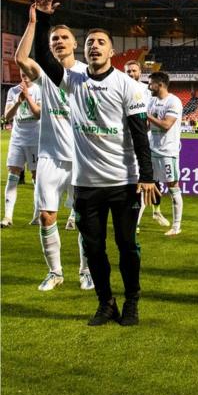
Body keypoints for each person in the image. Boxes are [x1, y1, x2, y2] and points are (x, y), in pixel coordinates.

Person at [60, 27, 158, 325]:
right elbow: (45, 59)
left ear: (112, 51)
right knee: (93, 248)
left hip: (123, 181)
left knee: (126, 245)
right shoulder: (72, 80)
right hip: (86, 183)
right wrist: (42, 20)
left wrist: (147, 176)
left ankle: (132, 301)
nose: (95, 47)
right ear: (83, 51)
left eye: (102, 42)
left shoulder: (128, 85)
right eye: (90, 43)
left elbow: (140, 135)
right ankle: (106, 303)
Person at [13, 0, 93, 292]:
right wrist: (35, 22)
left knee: (85, 220)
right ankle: (56, 272)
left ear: (75, 44)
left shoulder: (88, 75)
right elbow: (21, 58)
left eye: (63, 37)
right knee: (47, 216)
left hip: (82, 158)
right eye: (53, 39)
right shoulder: (45, 74)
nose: (58, 41)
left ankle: (85, 270)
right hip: (49, 156)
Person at [124, 60, 164, 227]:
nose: (131, 74)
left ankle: (156, 210)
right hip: (125, 140)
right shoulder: (121, 87)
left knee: (152, 176)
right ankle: (133, 217)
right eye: (128, 71)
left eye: (134, 70)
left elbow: (151, 113)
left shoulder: (146, 91)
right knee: (131, 179)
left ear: (140, 71)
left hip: (144, 139)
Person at [146, 71, 184, 236]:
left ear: (159, 84)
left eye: (151, 83)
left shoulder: (174, 101)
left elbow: (166, 125)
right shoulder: (152, 101)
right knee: (146, 186)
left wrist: (146, 116)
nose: (149, 86)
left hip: (168, 152)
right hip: (152, 150)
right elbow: (147, 124)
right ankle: (141, 221)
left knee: (173, 187)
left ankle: (176, 227)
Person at [2, 79, 41, 228]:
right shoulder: (13, 91)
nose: (24, 75)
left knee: (36, 176)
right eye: (22, 71)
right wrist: (18, 101)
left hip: (35, 139)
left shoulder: (39, 89)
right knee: (12, 174)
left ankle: (37, 215)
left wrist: (27, 96)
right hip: (17, 139)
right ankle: (7, 217)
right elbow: (7, 116)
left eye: (27, 71)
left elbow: (38, 114)